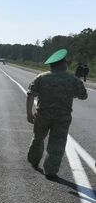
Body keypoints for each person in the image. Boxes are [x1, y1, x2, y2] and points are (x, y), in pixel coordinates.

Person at [26, 48, 87, 180]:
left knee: (38, 138)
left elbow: (30, 95)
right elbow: (83, 96)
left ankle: (34, 160)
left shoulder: (41, 77)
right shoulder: (72, 79)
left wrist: (29, 114)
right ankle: (50, 171)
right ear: (62, 63)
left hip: (42, 115)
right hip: (62, 118)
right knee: (57, 144)